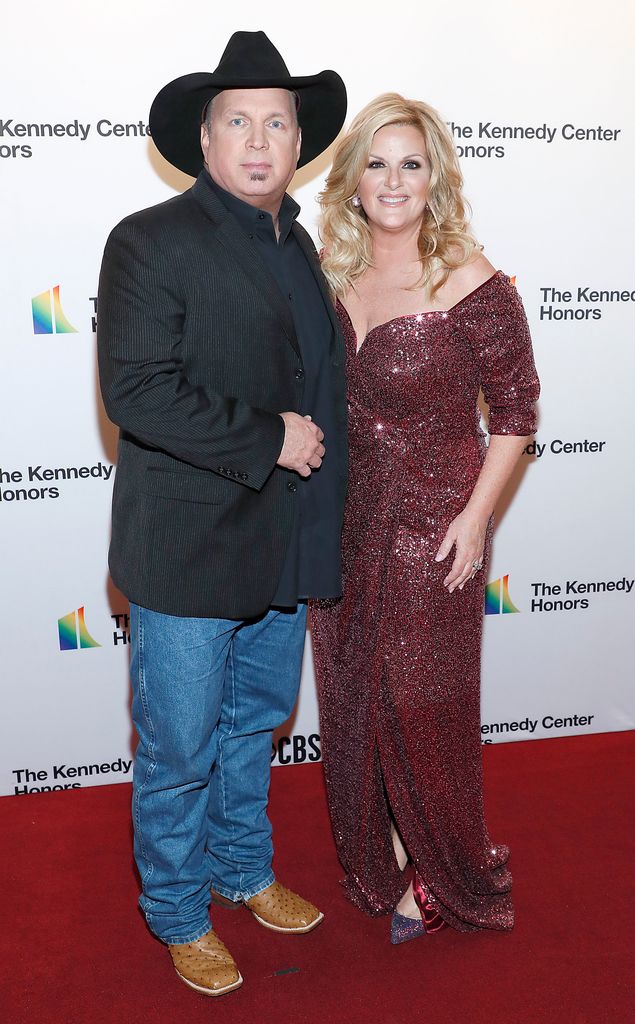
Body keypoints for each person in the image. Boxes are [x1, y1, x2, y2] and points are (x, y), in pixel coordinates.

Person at [97, 31, 348, 995]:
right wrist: (266, 439)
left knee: (253, 727)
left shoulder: (300, 244)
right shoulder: (147, 242)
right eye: (236, 121)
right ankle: (176, 910)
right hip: (190, 549)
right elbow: (137, 390)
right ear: (201, 142)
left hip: (280, 543)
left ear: (297, 144)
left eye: (275, 123)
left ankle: (242, 867)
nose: (257, 140)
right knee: (178, 746)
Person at [311, 93, 540, 942]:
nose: (393, 180)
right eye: (376, 162)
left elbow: (516, 412)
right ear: (353, 178)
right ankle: (383, 854)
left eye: (410, 163)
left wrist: (477, 521)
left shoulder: (471, 277)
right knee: (354, 694)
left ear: (435, 175)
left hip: (434, 518)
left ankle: (446, 870)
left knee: (423, 701)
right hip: (346, 516)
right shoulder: (332, 270)